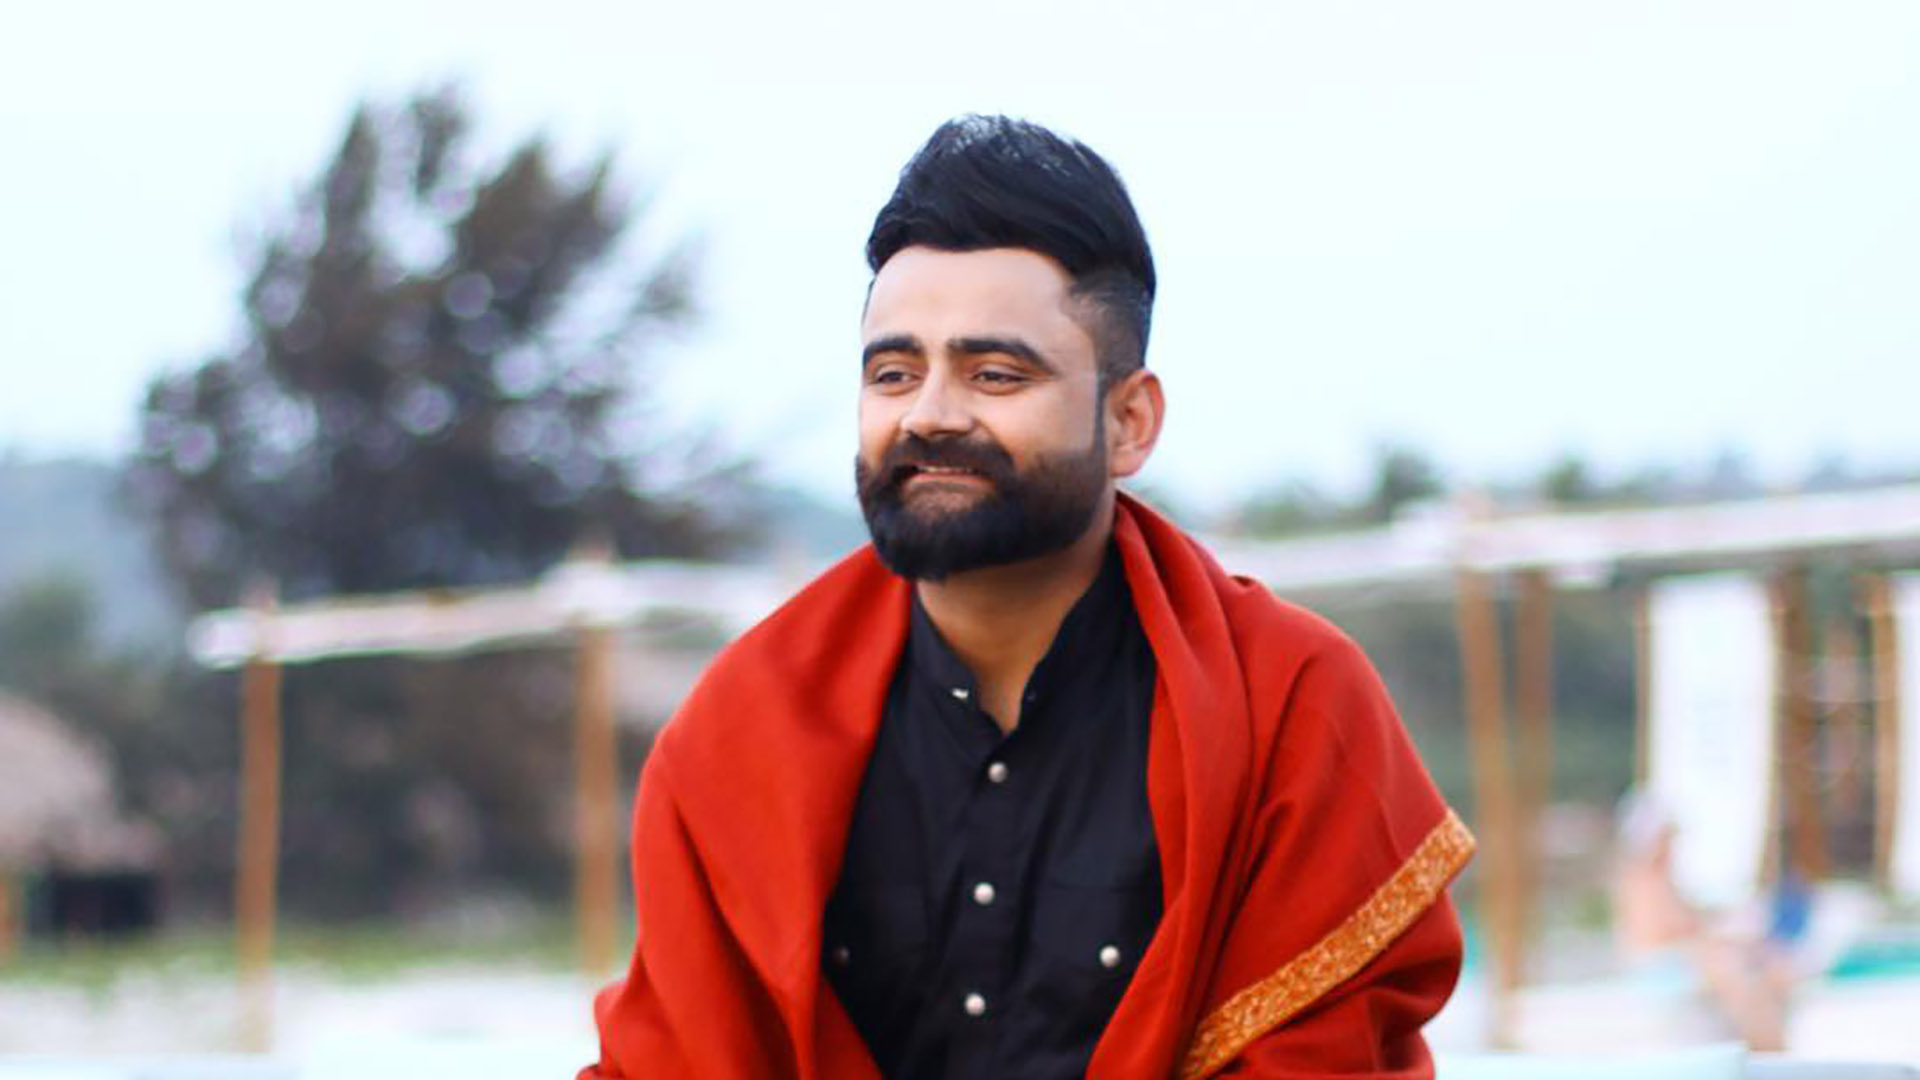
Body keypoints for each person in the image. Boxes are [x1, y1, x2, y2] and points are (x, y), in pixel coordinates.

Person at [581, 115, 1473, 1080]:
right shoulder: (744, 727)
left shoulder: (1287, 705)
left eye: (995, 374)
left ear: (1129, 422)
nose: (929, 414)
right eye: (894, 373)